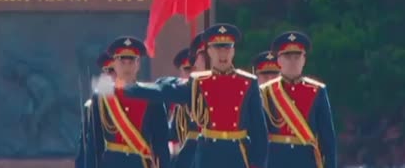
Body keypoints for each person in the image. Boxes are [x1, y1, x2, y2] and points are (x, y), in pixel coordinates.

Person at [118, 23, 269, 168]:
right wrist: (131, 89)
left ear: (233, 51)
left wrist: (257, 164)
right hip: (208, 153)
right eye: (217, 49)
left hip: (238, 154)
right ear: (209, 52)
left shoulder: (248, 82)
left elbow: (259, 132)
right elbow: (166, 91)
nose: (222, 54)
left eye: (227, 48)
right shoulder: (198, 82)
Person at [76, 37, 170, 168]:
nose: (127, 66)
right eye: (122, 61)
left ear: (138, 64)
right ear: (114, 63)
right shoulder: (102, 96)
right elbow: (94, 144)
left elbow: (161, 145)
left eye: (131, 62)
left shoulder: (152, 96)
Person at [260, 31, 336, 168]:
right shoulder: (266, 91)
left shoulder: (317, 91)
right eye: (288, 57)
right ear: (278, 61)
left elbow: (327, 138)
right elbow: (258, 135)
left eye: (297, 57)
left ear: (304, 60)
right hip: (276, 160)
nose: (293, 61)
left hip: (306, 160)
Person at [169, 32, 206, 168]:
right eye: (187, 69)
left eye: (194, 68)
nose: (192, 73)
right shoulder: (178, 104)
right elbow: (173, 138)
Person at [75, 51, 115, 168]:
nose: (109, 75)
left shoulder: (134, 101)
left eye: (112, 70)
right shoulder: (91, 106)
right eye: (105, 71)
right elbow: (85, 149)